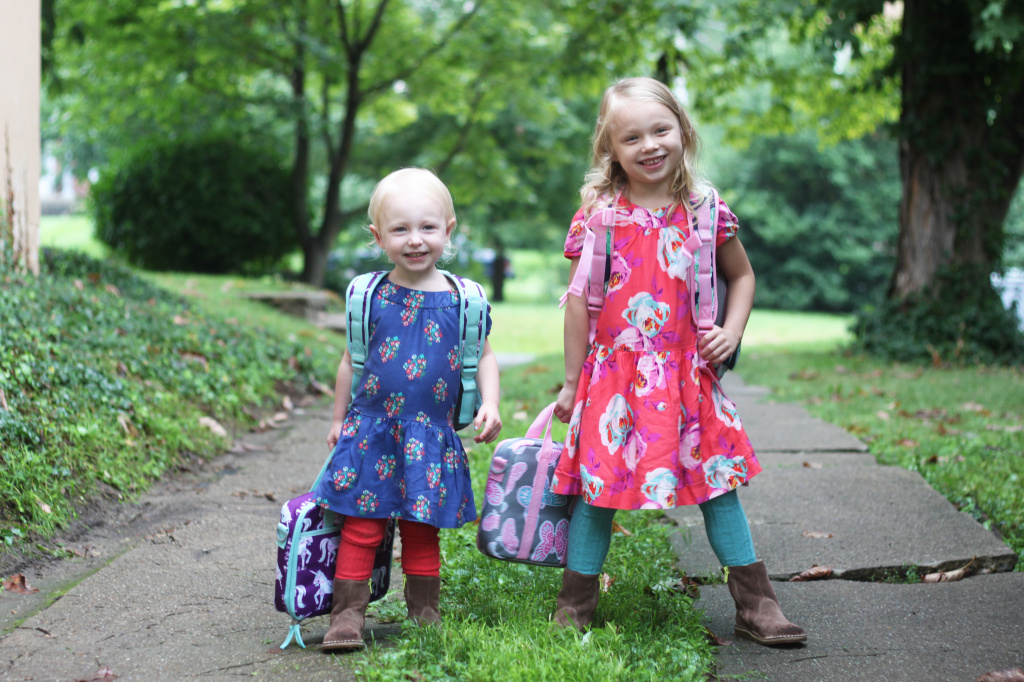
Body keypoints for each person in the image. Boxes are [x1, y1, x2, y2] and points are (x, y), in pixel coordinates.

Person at [549, 77, 805, 646]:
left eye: (660, 129)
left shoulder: (705, 210)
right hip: (613, 380)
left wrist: (730, 333)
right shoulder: (598, 216)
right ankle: (575, 604)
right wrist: (571, 384)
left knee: (716, 484)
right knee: (599, 489)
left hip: (688, 376)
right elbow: (575, 305)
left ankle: (756, 602)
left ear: (683, 132)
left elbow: (742, 276)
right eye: (631, 136)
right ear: (609, 149)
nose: (649, 145)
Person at [315, 168, 502, 651]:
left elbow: (482, 355)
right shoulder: (369, 295)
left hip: (430, 435)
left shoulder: (465, 301)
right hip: (371, 432)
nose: (415, 240)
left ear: (449, 228)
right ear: (379, 237)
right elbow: (349, 361)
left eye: (427, 228)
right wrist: (337, 420)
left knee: (422, 530)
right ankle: (347, 617)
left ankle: (424, 611)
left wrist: (492, 404)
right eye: (400, 229)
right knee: (361, 525)